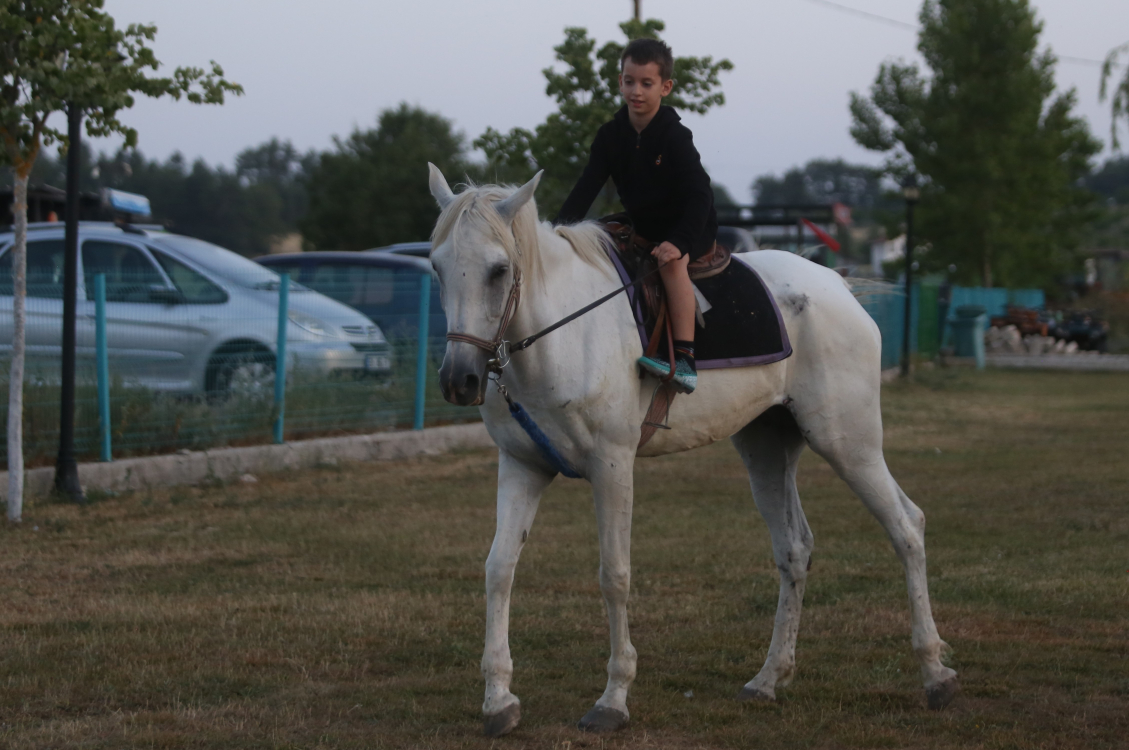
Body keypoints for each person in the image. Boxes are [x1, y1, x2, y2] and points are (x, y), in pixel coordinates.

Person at [556, 38, 717, 394]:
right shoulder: (610, 136)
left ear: (666, 86)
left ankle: (685, 361)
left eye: (646, 83)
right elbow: (586, 188)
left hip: (689, 225)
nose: (636, 91)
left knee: (671, 264)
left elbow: (699, 194)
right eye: (630, 81)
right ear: (620, 82)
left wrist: (679, 242)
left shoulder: (675, 135)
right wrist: (555, 232)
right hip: (644, 224)